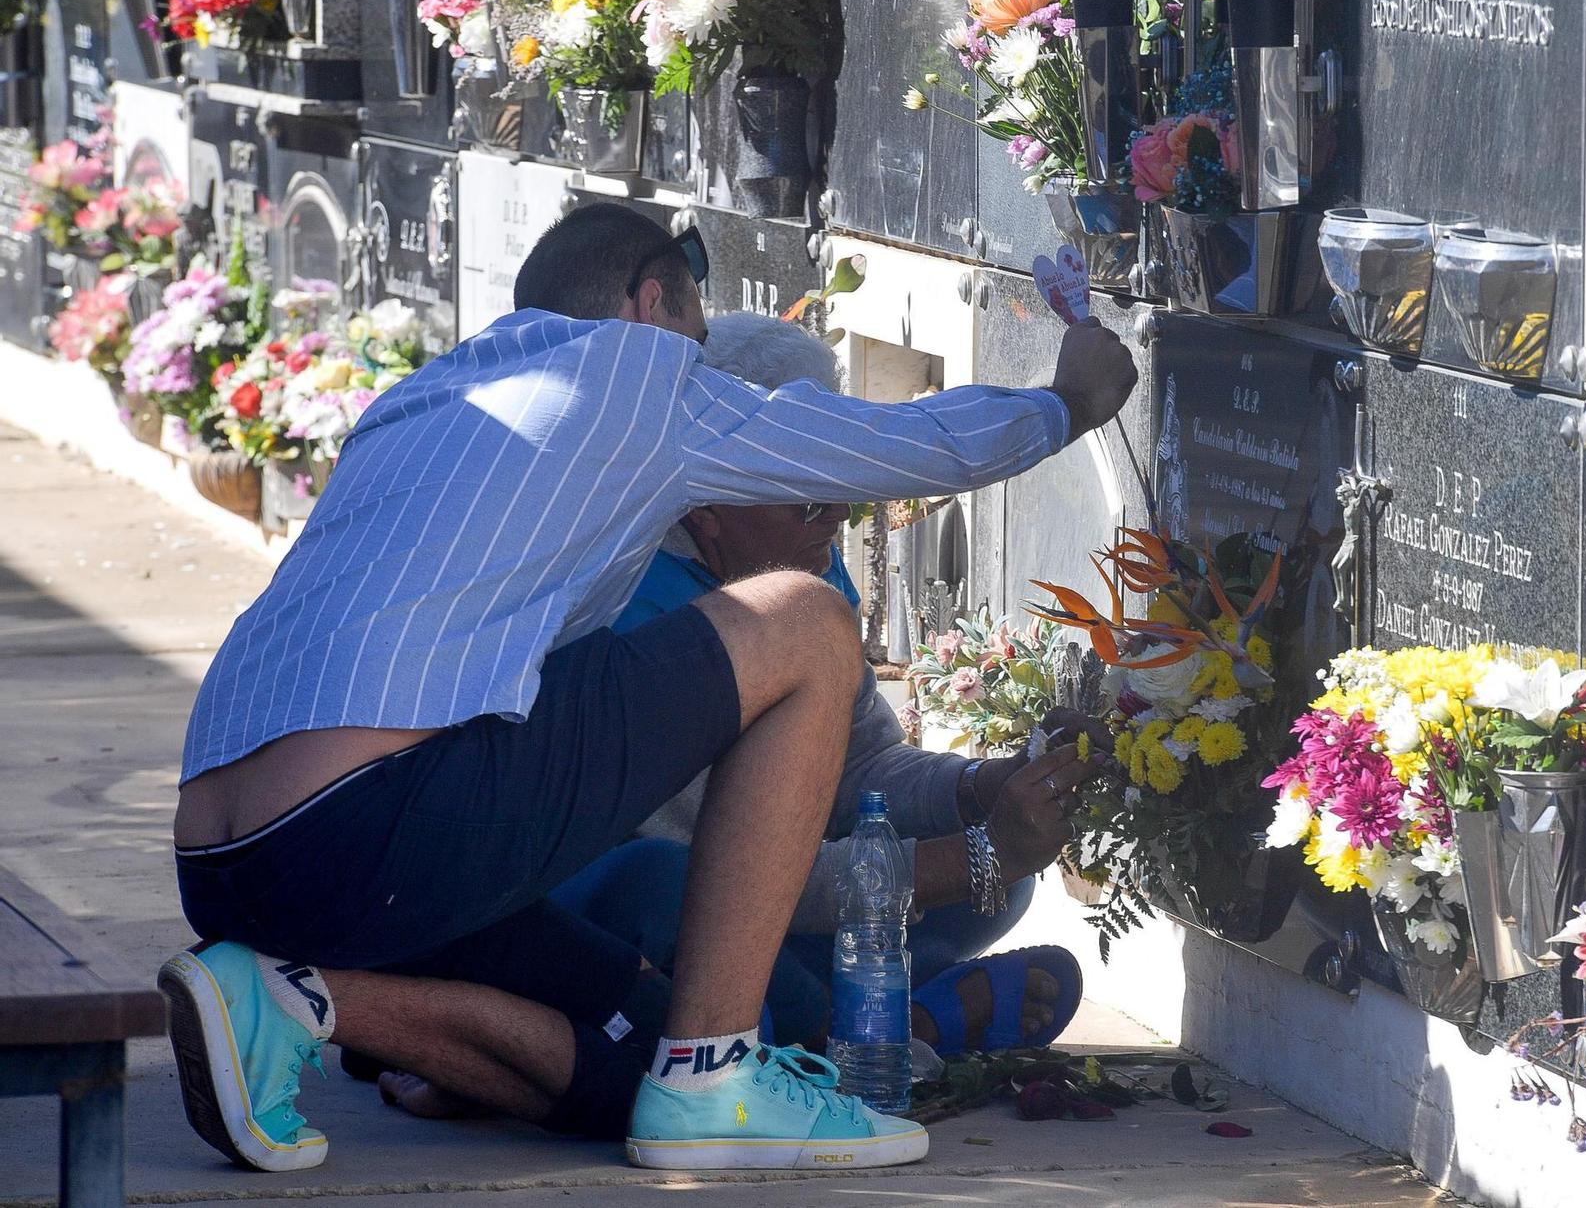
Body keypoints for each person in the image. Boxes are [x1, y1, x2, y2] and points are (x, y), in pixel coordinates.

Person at [159, 202, 1137, 1174]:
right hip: (368, 823)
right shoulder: (639, 371)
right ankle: (714, 1077)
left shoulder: (423, 395)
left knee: (639, 1057)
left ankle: (292, 999)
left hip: (227, 867)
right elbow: (899, 446)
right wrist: (1066, 402)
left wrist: (977, 799)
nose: (701, 370)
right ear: (651, 299)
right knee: (802, 621)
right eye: (699, 341)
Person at [360, 315, 1102, 1129]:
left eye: (846, 499)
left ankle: (844, 1022)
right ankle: (894, 1028)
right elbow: (736, 873)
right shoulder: (634, 609)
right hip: (619, 904)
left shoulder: (798, 560)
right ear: (711, 499)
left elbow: (865, 773)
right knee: (696, 916)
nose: (835, 524)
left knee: (997, 884)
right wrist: (975, 856)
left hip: (762, 903)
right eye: (812, 496)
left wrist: (985, 788)